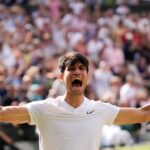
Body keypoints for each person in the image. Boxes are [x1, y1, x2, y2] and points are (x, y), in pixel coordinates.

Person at [0, 51, 150, 150]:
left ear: (87, 76)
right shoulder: (45, 108)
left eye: (81, 68)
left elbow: (143, 114)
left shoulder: (100, 110)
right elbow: (3, 113)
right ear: (61, 77)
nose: (77, 71)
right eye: (71, 68)